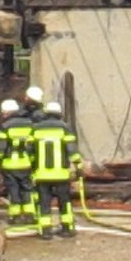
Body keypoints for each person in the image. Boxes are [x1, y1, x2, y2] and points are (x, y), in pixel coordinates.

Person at [30, 100, 82, 240]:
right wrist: (78, 167)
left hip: (42, 175)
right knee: (64, 202)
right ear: (59, 114)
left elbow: (30, 152)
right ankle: (67, 229)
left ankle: (45, 231)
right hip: (61, 175)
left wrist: (31, 170)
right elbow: (72, 150)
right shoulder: (65, 128)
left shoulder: (36, 129)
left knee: (44, 203)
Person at [0, 98, 38, 224]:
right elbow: (34, 146)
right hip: (27, 164)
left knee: (14, 190)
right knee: (27, 189)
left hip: (10, 164)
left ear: (6, 112)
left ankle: (15, 216)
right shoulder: (30, 124)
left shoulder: (5, 126)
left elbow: (1, 147)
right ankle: (30, 215)